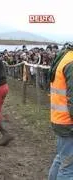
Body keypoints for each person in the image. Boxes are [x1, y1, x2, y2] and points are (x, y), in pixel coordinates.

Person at [48, 44, 73, 179]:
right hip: (69, 123)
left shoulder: (65, 56)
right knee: (68, 169)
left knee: (61, 159)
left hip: (60, 118)